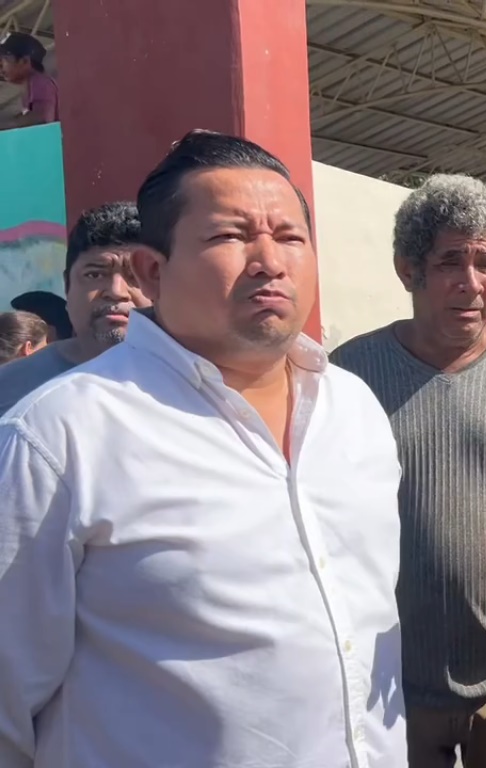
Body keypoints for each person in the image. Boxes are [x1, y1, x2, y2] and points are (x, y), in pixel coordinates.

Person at [0, 130, 407, 766]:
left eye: (290, 236)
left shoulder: (353, 409)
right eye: (229, 236)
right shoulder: (62, 435)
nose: (269, 260)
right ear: (152, 271)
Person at [330, 174, 486, 768]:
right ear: (407, 270)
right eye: (452, 261)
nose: (472, 283)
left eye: (485, 262)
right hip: (388, 678)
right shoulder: (350, 376)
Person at [0, 203, 150, 414]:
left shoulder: (199, 384)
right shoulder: (9, 391)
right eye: (95, 275)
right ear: (67, 286)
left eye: (134, 276)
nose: (116, 291)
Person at [0, 32, 58, 128]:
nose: (0, 66)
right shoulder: (30, 88)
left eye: (4, 59)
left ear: (25, 61)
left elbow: (41, 119)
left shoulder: (40, 83)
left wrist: (7, 126)